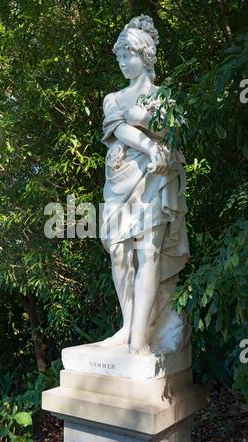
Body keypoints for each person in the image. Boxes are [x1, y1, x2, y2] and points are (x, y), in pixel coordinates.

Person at [99, 15, 190, 355]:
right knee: (118, 252)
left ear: (147, 56)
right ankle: (127, 326)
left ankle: (140, 337)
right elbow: (118, 130)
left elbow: (173, 132)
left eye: (129, 55)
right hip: (121, 177)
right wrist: (149, 143)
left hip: (154, 177)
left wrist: (148, 125)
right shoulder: (113, 98)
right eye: (120, 55)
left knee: (147, 251)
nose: (123, 61)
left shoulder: (164, 97)